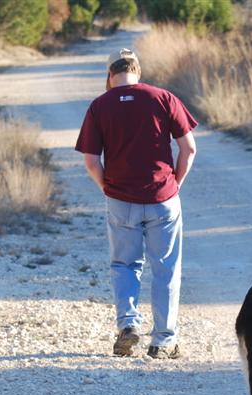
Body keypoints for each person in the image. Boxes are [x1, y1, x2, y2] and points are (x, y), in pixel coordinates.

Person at [75, 48, 198, 359]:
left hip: (120, 200)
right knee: (166, 269)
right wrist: (175, 184)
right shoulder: (163, 98)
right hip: (163, 199)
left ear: (109, 75)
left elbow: (91, 161)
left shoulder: (99, 106)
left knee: (125, 265)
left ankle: (128, 326)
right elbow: (189, 149)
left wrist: (107, 187)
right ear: (137, 71)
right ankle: (163, 341)